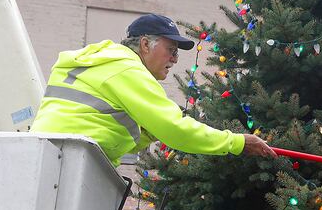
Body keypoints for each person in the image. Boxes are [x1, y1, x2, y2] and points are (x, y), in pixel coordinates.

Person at [31, 13, 277, 165]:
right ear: (145, 45)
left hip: (50, 159)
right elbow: (174, 130)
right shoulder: (127, 69)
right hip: (72, 163)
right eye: (171, 50)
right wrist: (237, 143)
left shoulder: (96, 61)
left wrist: (146, 134)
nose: (175, 59)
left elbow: (93, 122)